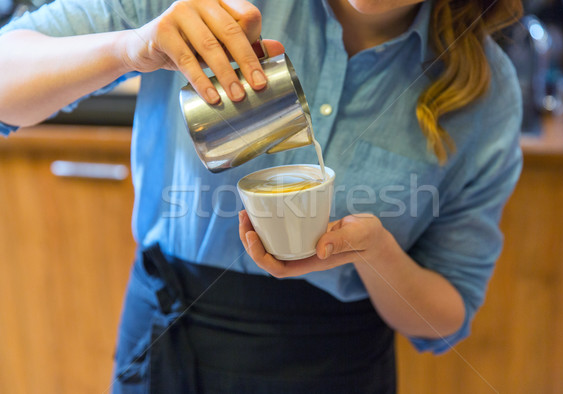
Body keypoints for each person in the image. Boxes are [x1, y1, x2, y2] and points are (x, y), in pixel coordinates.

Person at [0, 0, 524, 392]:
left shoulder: (484, 90)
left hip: (336, 365)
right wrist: (129, 48)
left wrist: (377, 255)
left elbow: (446, 314)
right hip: (170, 341)